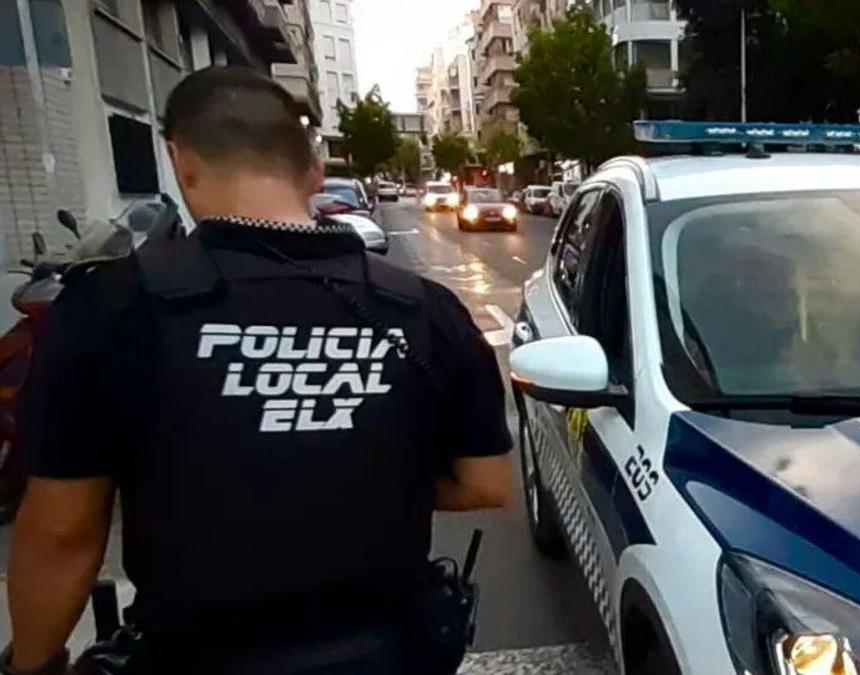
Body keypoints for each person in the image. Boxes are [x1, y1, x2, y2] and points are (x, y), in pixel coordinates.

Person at [4, 67, 512, 674]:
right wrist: (348, 477)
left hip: (194, 654)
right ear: (314, 172)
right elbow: (486, 483)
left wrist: (29, 665)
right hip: (389, 651)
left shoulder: (112, 308)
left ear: (180, 161)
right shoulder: (422, 309)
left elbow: (63, 533)